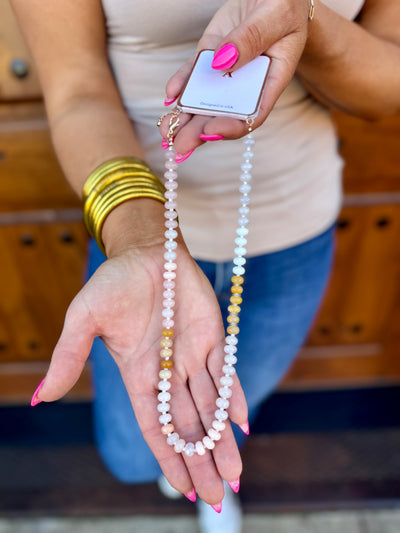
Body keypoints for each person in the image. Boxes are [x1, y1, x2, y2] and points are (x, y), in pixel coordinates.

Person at [11, 0, 400, 531]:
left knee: (232, 408)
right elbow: (78, 92)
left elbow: (385, 88)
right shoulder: (140, 246)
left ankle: (211, 487)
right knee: (131, 453)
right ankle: (199, 476)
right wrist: (143, 240)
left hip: (296, 232)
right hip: (137, 241)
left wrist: (304, 18)